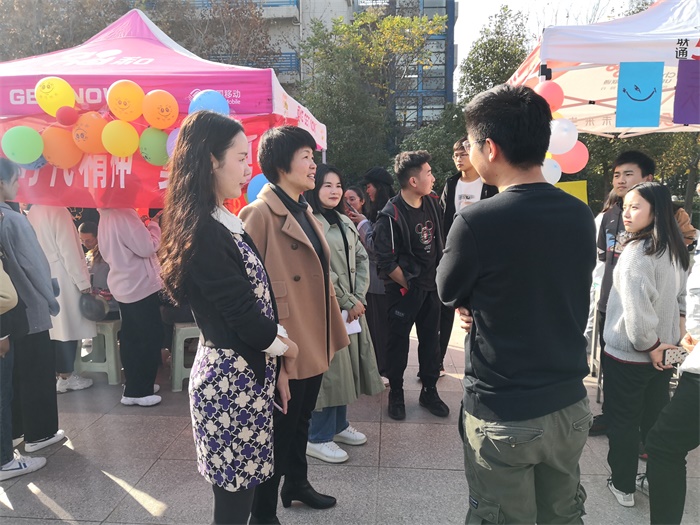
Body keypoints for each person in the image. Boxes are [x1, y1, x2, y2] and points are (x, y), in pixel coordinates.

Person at [436, 84, 595, 523]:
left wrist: (473, 301)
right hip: (568, 404)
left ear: (490, 148)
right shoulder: (579, 214)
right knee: (563, 515)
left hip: (504, 409)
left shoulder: (476, 220)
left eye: (471, 144)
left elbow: (448, 289)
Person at [159, 111, 297, 525]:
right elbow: (244, 315)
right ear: (211, 160)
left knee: (242, 492)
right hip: (229, 384)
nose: (247, 168)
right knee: (234, 503)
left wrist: (277, 366)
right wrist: (288, 349)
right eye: (240, 158)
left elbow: (256, 302)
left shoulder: (221, 221)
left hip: (243, 376)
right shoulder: (205, 230)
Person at [239, 126, 349, 523]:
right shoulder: (258, 213)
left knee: (301, 419)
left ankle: (297, 484)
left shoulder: (304, 209)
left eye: (312, 157)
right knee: (278, 429)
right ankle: (262, 513)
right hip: (285, 338)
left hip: (312, 331)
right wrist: (272, 346)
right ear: (281, 163)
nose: (313, 165)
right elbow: (247, 288)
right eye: (306, 156)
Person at [590, 150, 691, 436]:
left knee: (644, 402)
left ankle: (636, 440)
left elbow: (677, 289)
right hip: (615, 307)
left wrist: (668, 337)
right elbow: (602, 258)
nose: (621, 180)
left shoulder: (670, 225)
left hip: (650, 336)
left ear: (648, 178)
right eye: (617, 175)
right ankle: (622, 424)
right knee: (626, 397)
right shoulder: (609, 215)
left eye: (628, 174)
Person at [602, 181, 688, 508]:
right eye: (625, 206)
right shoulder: (676, 248)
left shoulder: (637, 253)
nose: (626, 213)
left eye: (635, 206)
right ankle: (653, 478)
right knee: (655, 418)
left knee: (623, 421)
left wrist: (650, 345)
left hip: (631, 354)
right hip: (666, 352)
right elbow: (681, 301)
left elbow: (636, 316)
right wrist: (669, 344)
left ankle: (623, 485)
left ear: (656, 211)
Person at [304, 164, 384, 463]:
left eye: (338, 185)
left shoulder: (343, 220)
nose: (334, 191)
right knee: (330, 371)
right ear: (314, 187)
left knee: (346, 367)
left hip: (350, 309)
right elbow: (319, 268)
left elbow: (362, 258)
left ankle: (338, 426)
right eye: (327, 185)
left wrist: (358, 298)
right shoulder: (309, 222)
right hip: (326, 307)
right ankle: (317, 436)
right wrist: (348, 300)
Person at [374, 151, 450, 421]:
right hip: (404, 291)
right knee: (397, 343)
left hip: (431, 288)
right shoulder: (390, 215)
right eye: (428, 173)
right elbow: (385, 261)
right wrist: (410, 284)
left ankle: (429, 391)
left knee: (431, 342)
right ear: (413, 181)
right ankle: (396, 393)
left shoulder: (432, 202)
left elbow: (440, 241)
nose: (433, 177)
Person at [0, 158, 65, 460]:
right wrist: (51, 298)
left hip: (8, 314)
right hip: (29, 307)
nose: (18, 185)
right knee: (38, 372)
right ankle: (41, 433)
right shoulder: (14, 220)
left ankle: (16, 431)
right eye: (15, 180)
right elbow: (35, 266)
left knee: (14, 374)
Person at [438, 137, 497, 372]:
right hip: (455, 250)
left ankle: (480, 362)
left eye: (463, 153)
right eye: (455, 155)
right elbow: (443, 217)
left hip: (484, 252)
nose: (458, 159)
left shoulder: (488, 183)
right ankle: (438, 360)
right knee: (448, 307)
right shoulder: (451, 183)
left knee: (477, 308)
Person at [97, 207, 164, 406]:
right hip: (139, 284)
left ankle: (136, 385)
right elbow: (148, 247)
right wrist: (153, 225)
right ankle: (140, 390)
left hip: (124, 283)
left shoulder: (106, 214)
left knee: (131, 337)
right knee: (147, 338)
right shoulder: (124, 213)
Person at [28, 205, 96, 393]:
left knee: (54, 330)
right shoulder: (58, 211)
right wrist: (82, 281)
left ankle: (58, 375)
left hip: (42, 275)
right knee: (67, 328)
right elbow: (69, 250)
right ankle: (66, 376)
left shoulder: (34, 211)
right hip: (63, 276)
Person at [346, 170, 394, 380]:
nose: (367, 190)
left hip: (379, 281)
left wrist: (363, 224)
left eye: (369, 187)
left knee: (380, 328)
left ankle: (383, 369)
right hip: (379, 282)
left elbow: (377, 247)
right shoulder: (383, 210)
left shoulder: (386, 212)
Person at [78, 221, 119, 319]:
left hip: (110, 306)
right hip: (94, 305)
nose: (85, 244)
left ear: (98, 237)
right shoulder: (89, 255)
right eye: (82, 240)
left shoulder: (109, 255)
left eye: (89, 241)